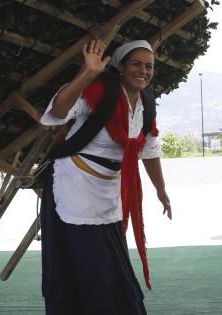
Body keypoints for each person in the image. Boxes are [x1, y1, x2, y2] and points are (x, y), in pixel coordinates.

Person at [40, 39, 172, 314]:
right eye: (136, 64)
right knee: (89, 262)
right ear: (120, 67)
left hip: (109, 190)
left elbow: (149, 149)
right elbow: (58, 112)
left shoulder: (147, 103)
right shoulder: (99, 90)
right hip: (75, 185)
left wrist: (161, 190)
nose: (143, 71)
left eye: (149, 66)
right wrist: (88, 74)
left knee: (112, 261)